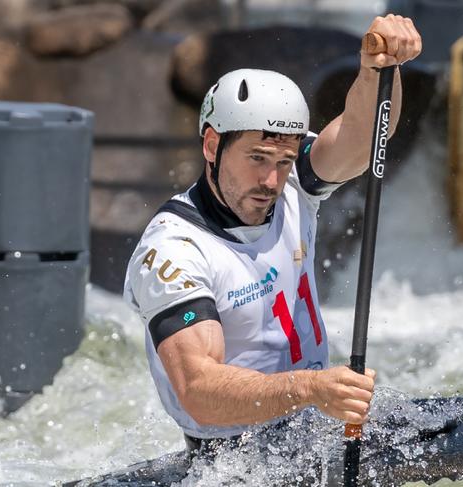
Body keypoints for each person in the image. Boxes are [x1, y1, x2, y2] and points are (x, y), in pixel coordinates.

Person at [123, 14, 422, 453]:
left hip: (316, 429)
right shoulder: (173, 252)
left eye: (283, 161)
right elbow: (199, 389)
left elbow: (363, 138)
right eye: (257, 159)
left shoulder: (293, 183)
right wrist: (310, 389)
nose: (271, 181)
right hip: (233, 459)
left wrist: (378, 68)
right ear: (211, 145)